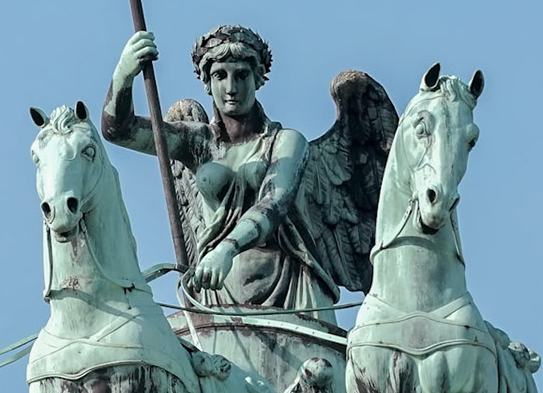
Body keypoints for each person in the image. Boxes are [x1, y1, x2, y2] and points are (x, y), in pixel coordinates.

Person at [104, 24, 383, 324]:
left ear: (259, 78)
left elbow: (272, 203)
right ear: (207, 83)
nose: (231, 86)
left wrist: (227, 249)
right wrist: (124, 74)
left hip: (290, 289)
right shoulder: (196, 142)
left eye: (241, 74)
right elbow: (119, 130)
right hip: (216, 292)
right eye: (220, 75)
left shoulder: (286, 142)